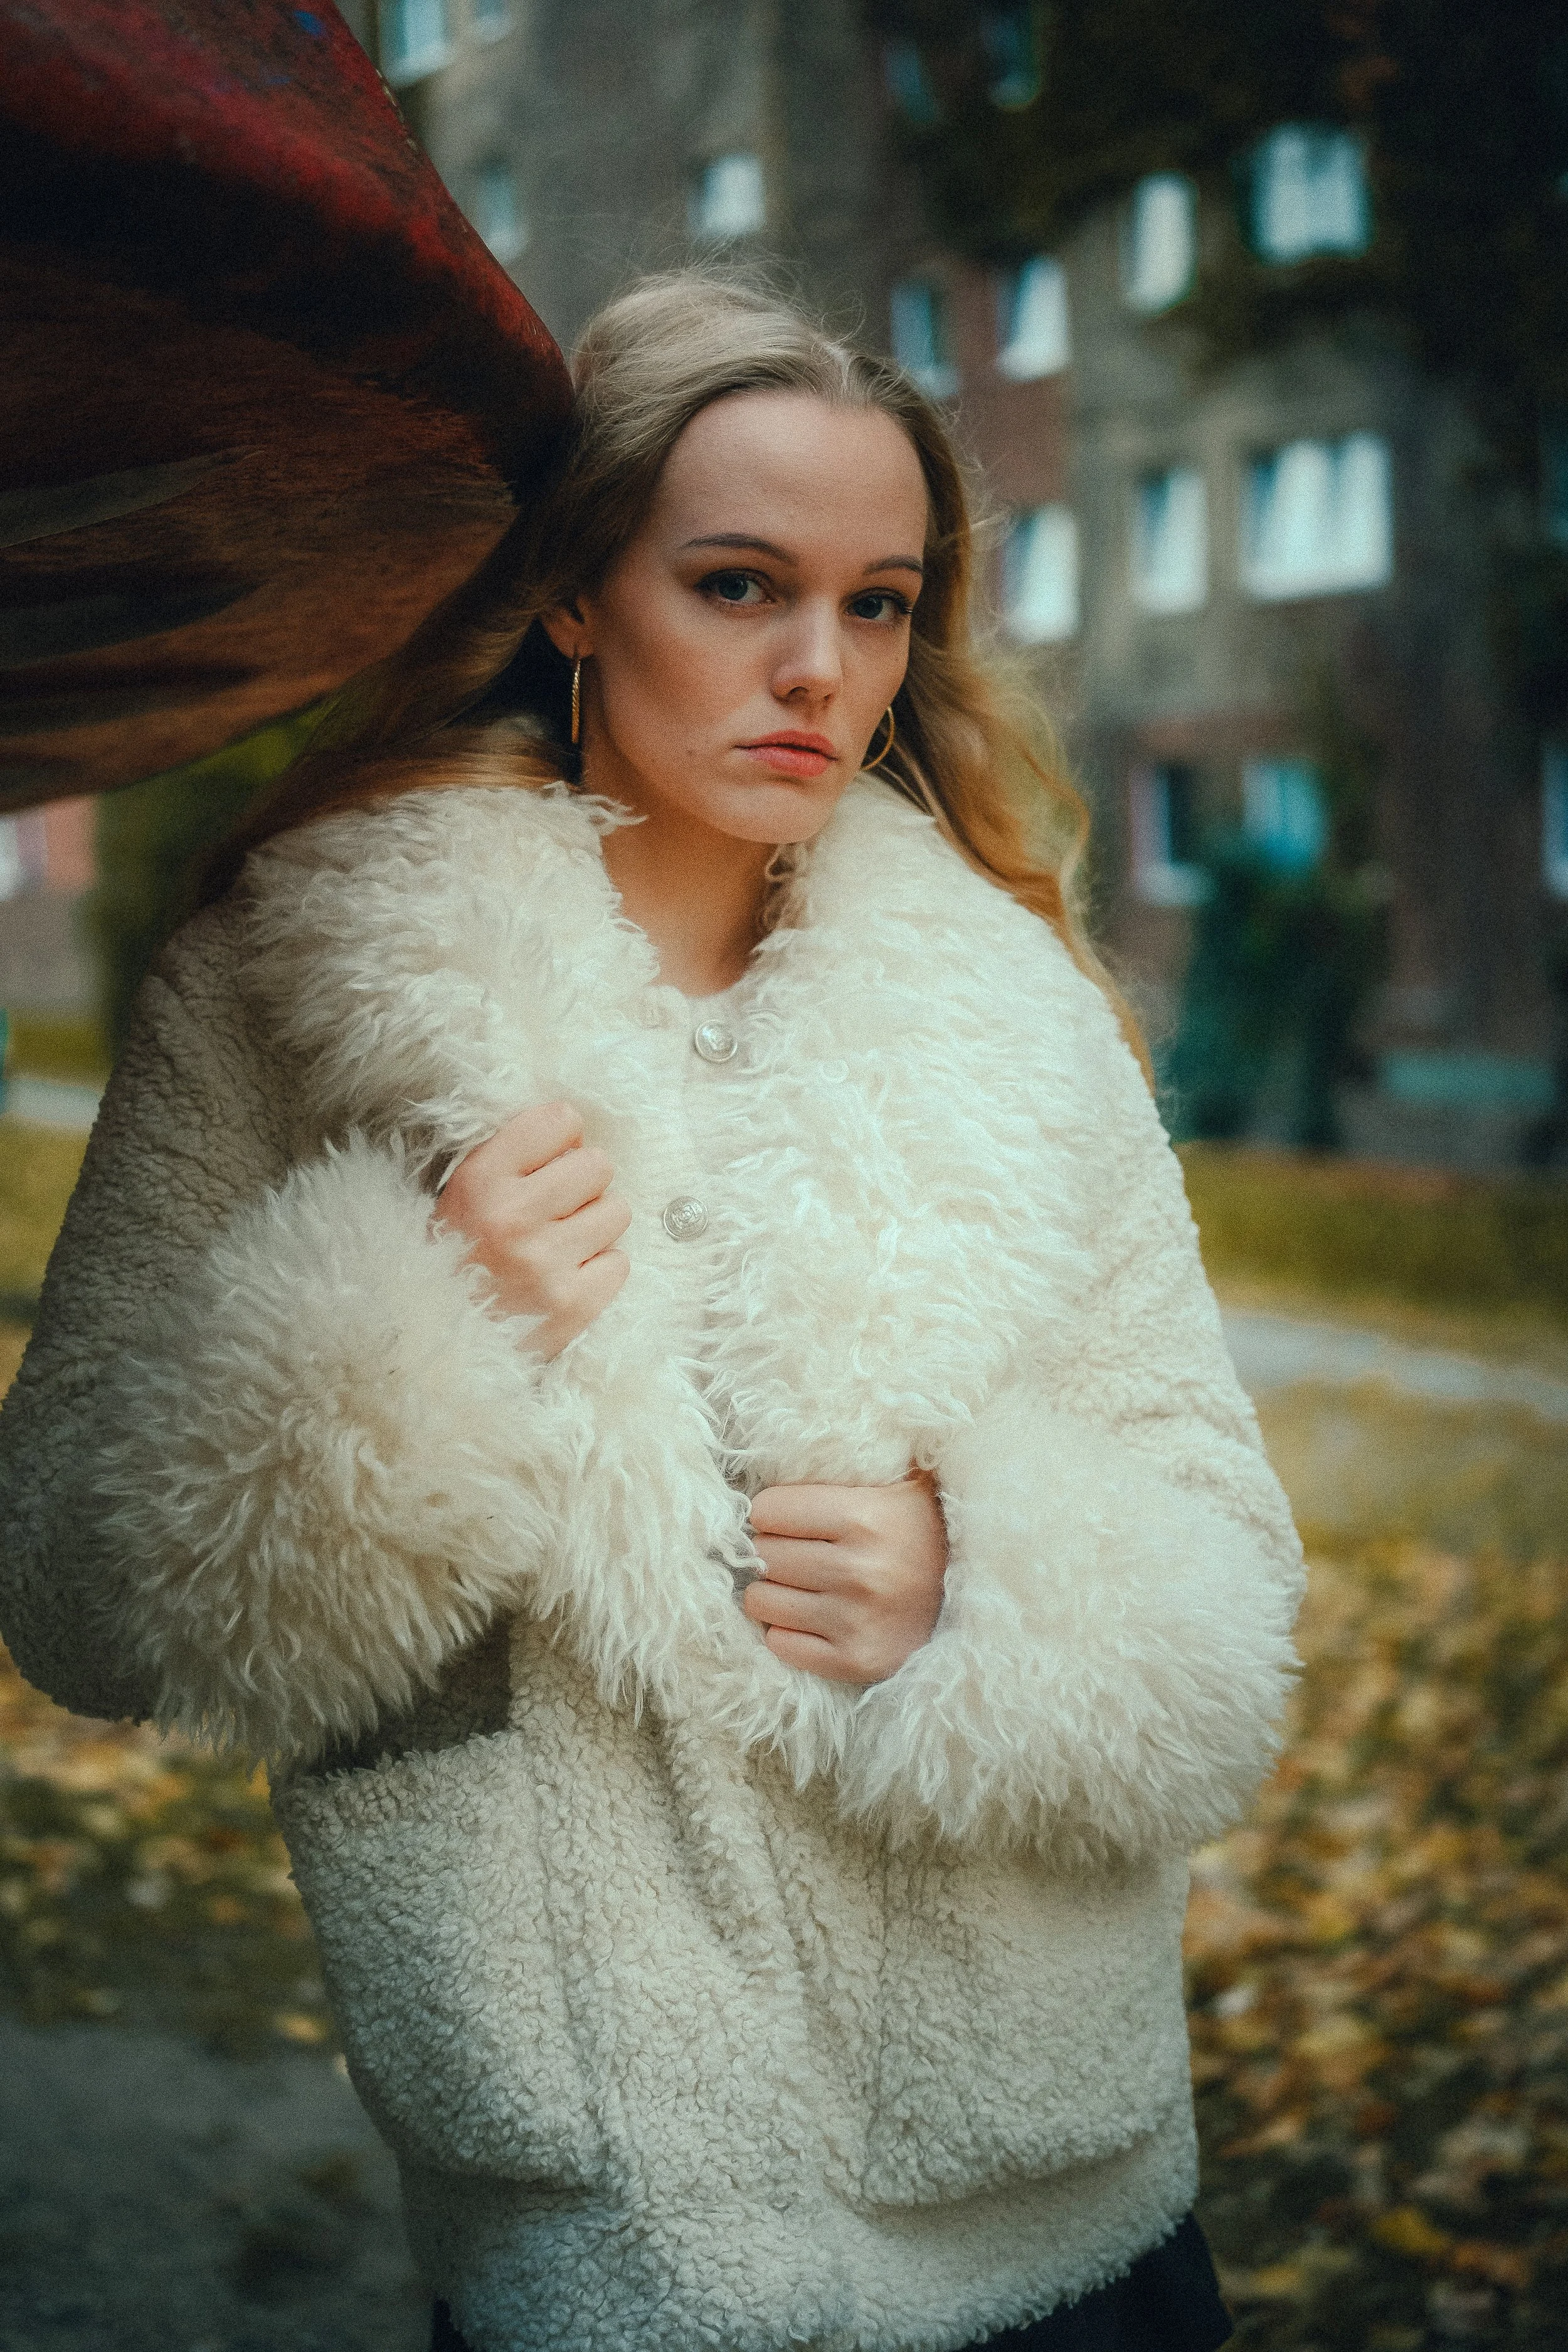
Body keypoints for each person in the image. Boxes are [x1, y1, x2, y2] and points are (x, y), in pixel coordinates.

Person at [0, 273, 1303, 2352]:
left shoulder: (1017, 1015)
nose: (817, 667)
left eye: (878, 604)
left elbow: (1229, 1566)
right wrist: (416, 1325)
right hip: (599, 2213)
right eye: (736, 583)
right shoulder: (292, 987)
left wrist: (985, 1583)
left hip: (1057, 2199)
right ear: (572, 593)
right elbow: (67, 1582)